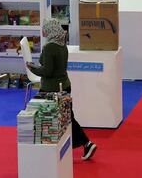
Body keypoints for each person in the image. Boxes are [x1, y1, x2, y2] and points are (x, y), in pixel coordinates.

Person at [27, 20, 97, 161]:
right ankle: (85, 143)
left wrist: (31, 67)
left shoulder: (49, 47)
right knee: (67, 117)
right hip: (64, 85)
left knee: (46, 118)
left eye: (45, 29)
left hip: (50, 89)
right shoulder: (62, 45)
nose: (43, 32)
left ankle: (50, 148)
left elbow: (47, 71)